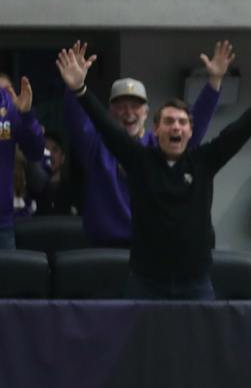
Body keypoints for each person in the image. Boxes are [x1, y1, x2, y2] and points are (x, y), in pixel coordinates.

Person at [55, 43, 251, 300]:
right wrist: (79, 90)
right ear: (157, 129)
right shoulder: (139, 160)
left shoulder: (203, 161)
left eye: (183, 122)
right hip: (146, 282)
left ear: (190, 131)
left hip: (195, 283)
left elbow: (240, 131)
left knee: (201, 342)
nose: (176, 127)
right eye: (169, 121)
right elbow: (105, 126)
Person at [60, 43, 230, 247]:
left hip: (153, 250)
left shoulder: (160, 146)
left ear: (147, 112)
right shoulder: (96, 146)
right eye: (121, 106)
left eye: (135, 106)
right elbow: (76, 120)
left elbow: (194, 124)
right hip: (104, 249)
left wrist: (214, 82)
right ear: (110, 111)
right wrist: (74, 88)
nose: (129, 113)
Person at [0, 74, 47, 251]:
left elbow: (35, 152)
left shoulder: (6, 103)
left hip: (2, 224)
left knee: (6, 279)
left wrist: (26, 114)